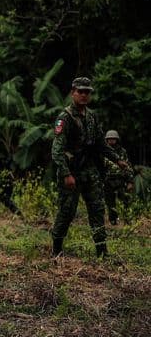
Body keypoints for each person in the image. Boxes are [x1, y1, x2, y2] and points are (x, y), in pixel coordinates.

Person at [50, 77, 129, 258]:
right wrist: (66, 174)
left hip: (89, 171)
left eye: (87, 92)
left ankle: (102, 252)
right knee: (67, 212)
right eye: (80, 91)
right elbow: (57, 150)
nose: (84, 95)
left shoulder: (92, 116)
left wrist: (117, 160)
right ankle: (56, 249)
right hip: (71, 172)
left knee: (97, 210)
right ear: (73, 93)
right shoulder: (65, 118)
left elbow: (101, 143)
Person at [103, 130, 134, 226]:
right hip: (108, 180)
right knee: (110, 202)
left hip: (120, 179)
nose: (111, 141)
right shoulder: (103, 151)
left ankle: (127, 219)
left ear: (117, 140)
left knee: (125, 200)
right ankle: (113, 221)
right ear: (106, 140)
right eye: (109, 139)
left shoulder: (122, 151)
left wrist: (130, 181)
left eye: (113, 139)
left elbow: (127, 166)